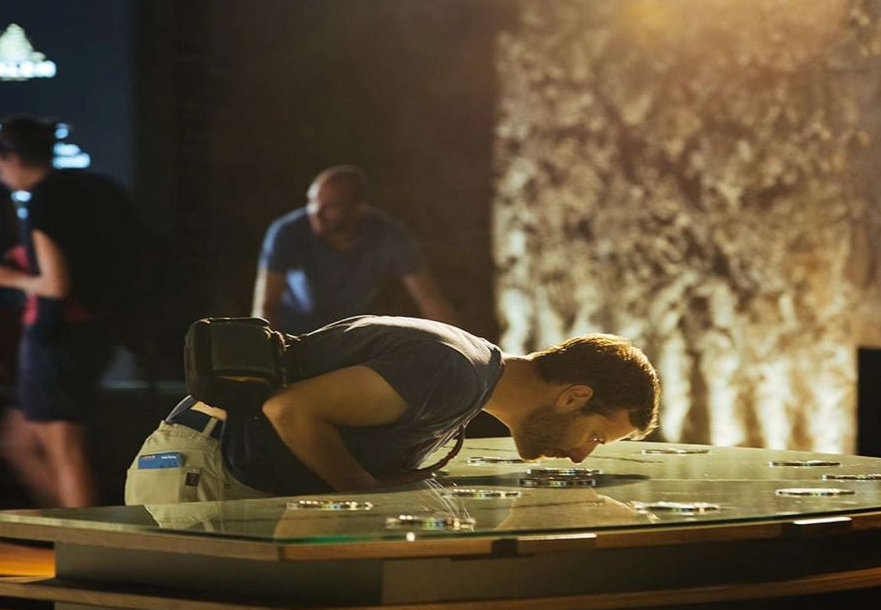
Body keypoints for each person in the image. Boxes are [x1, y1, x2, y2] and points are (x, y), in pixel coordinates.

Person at [125, 315, 660, 505]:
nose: (581, 456)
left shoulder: (470, 378)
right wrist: (366, 496)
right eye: (596, 436)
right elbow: (291, 409)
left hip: (215, 470)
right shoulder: (453, 372)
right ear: (573, 397)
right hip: (200, 469)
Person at [0, 116, 134, 507]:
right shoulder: (80, 190)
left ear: (12, 158)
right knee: (19, 442)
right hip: (85, 335)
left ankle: (81, 535)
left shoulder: (43, 201)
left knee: (63, 451)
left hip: (59, 338)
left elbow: (55, 284)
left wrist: (11, 277)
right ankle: (65, 528)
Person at [252, 165, 458, 334]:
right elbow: (267, 306)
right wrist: (267, 354)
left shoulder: (389, 235)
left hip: (353, 335)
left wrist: (460, 348)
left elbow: (429, 299)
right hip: (294, 335)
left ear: (358, 208)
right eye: (312, 201)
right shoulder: (286, 232)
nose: (316, 212)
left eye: (330, 206)